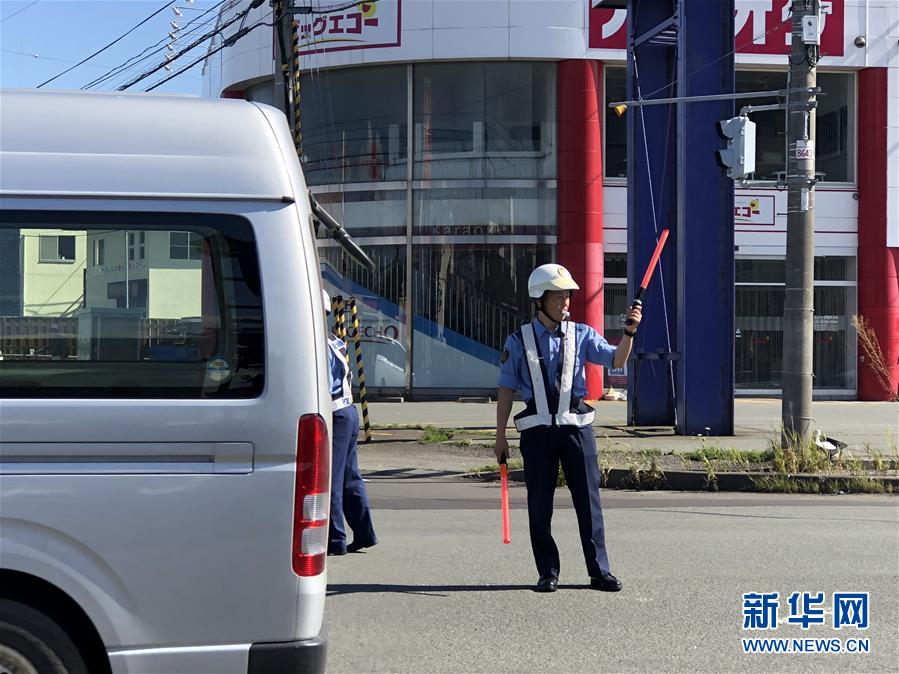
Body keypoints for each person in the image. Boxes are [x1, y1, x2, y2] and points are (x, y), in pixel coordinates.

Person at [494, 264, 641, 592]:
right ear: (539, 300)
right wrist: (500, 435)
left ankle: (599, 571)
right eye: (558, 297)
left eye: (567, 297)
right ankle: (547, 572)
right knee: (539, 504)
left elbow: (616, 360)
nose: (565, 303)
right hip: (536, 435)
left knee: (589, 502)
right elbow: (505, 388)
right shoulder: (518, 340)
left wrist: (629, 333)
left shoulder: (583, 334)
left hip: (577, 431)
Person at [323, 289, 378, 556]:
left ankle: (335, 540)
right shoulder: (335, 341)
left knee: (330, 478)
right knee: (349, 477)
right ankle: (364, 533)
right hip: (348, 412)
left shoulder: (318, 347)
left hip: (334, 413)